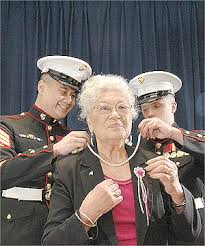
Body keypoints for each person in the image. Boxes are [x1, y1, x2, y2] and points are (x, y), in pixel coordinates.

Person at [42, 74, 201, 245]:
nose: (115, 114)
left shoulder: (153, 163)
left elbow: (188, 237)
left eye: (122, 107)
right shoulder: (68, 169)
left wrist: (178, 195)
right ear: (89, 120)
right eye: (104, 108)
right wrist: (86, 215)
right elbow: (52, 242)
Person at [0, 55, 92, 245]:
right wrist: (55, 150)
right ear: (42, 87)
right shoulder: (8, 125)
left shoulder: (71, 137)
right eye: (63, 91)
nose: (69, 100)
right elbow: (2, 172)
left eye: (73, 95)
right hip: (16, 231)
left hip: (60, 229)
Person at [129, 70, 204, 245]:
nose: (150, 114)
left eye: (157, 106)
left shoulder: (193, 141)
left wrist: (172, 133)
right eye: (145, 109)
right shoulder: (135, 151)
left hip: (193, 235)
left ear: (173, 107)